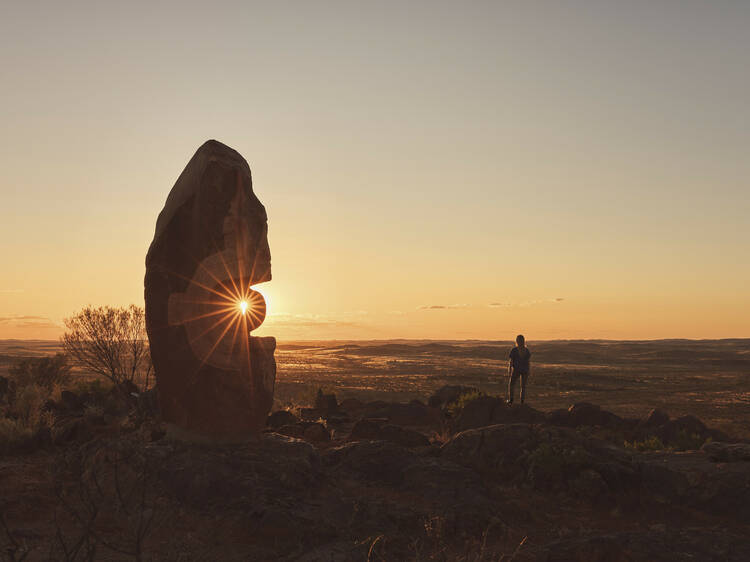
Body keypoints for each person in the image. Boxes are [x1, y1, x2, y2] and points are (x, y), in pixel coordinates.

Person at [507, 334, 531, 405]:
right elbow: (528, 362)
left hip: (517, 370)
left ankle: (511, 400)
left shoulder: (514, 350)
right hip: (525, 370)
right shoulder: (526, 350)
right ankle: (522, 401)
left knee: (512, 384)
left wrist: (509, 369)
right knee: (523, 386)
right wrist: (528, 370)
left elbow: (511, 361)